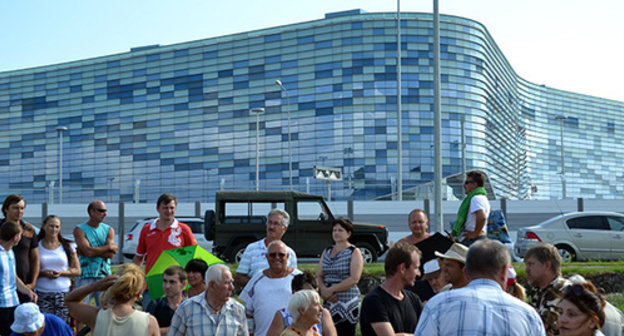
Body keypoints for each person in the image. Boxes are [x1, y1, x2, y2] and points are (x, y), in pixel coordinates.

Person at [414, 239, 546, 336]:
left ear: (466, 271)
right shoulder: (528, 315)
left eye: (449, 265)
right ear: (504, 271)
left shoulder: (438, 306)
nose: (445, 270)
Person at [133, 193, 196, 307]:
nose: (169, 211)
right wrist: (134, 279)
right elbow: (139, 257)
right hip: (152, 286)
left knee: (177, 322)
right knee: (151, 322)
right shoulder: (147, 229)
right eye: (165, 208)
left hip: (177, 286)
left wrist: (190, 284)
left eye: (172, 208)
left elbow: (193, 258)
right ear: (158, 209)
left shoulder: (184, 230)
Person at [65, 263, 159, 336]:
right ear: (138, 294)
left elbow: (70, 300)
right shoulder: (150, 322)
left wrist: (94, 286)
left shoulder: (96, 317)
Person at [360, 242, 423, 336]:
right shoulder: (373, 301)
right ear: (402, 268)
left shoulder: (414, 300)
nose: (419, 274)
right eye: (416, 268)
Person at [240, 240, 302, 336]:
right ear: (267, 257)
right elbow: (248, 312)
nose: (277, 258)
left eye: (281, 255)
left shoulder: (299, 278)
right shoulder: (257, 278)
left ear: (288, 257)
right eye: (273, 255)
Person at [167, 264, 248, 336]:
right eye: (227, 283)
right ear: (212, 285)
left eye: (231, 282)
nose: (232, 287)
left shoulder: (238, 309)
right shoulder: (186, 308)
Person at [316, 217, 362, 336]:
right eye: (334, 230)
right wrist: (323, 290)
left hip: (347, 302)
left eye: (340, 230)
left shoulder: (354, 252)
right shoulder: (326, 251)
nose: (336, 233)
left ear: (348, 233)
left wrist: (331, 290)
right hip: (329, 301)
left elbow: (354, 279)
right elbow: (319, 275)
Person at [35, 215, 81, 325]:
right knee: (45, 325)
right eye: (51, 226)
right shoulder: (36, 245)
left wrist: (61, 273)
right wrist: (43, 274)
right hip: (42, 293)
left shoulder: (68, 245)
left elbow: (77, 270)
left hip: (63, 292)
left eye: (57, 226)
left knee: (62, 325)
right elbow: (31, 271)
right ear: (44, 226)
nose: (54, 229)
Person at [235, 209, 297, 288]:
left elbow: (295, 280)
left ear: (284, 229)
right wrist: (258, 285)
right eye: (269, 223)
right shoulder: (252, 249)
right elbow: (239, 277)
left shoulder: (290, 253)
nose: (271, 227)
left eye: (276, 224)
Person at [398, 209, 452, 301]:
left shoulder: (438, 241)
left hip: (434, 287)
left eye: (420, 222)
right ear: (409, 225)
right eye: (414, 222)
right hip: (411, 287)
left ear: (426, 224)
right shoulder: (402, 245)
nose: (417, 225)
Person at [73, 200, 118, 308]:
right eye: (101, 211)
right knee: (81, 309)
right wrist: (108, 247)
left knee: (105, 310)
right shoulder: (79, 229)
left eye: (105, 211)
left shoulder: (109, 230)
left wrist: (91, 250)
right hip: (84, 276)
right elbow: (88, 252)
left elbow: (110, 255)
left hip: (104, 275)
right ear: (91, 212)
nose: (105, 214)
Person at [267, 271, 336, 336]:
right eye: (307, 294)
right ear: (295, 293)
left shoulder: (322, 314)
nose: (320, 308)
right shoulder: (283, 315)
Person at [0, 221, 37, 336]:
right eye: (20, 235)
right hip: (1, 305)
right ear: (16, 237)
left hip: (13, 302)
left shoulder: (10, 252)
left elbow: (13, 276)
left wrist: (28, 291)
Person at [525, 243, 571, 335]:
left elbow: (541, 327)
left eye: (531, 264)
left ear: (547, 266)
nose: (527, 270)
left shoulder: (562, 288)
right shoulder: (537, 290)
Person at [1, 195, 39, 304]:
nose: (19, 211)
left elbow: (35, 258)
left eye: (22, 208)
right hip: (4, 286)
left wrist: (33, 283)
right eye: (15, 208)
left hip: (24, 283)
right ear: (6, 209)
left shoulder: (29, 229)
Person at [450, 171, 491, 246]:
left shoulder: (476, 198)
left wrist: (475, 234)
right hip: (475, 239)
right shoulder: (481, 197)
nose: (464, 185)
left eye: (466, 182)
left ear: (474, 184)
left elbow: (482, 217)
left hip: (473, 240)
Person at [147, 266, 187, 336]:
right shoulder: (155, 304)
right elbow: (147, 331)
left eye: (172, 282)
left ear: (183, 284)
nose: (167, 286)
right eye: (165, 281)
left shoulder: (188, 306)